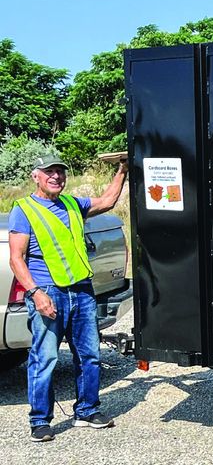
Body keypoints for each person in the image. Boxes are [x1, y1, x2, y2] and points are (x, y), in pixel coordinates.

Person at [9, 152, 129, 442]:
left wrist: (123, 169)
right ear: (35, 176)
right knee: (45, 357)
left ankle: (87, 410)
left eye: (60, 172)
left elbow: (107, 201)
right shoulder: (24, 210)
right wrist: (36, 293)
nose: (56, 177)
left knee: (89, 354)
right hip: (48, 292)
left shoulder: (73, 204)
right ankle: (40, 421)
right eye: (49, 172)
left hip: (81, 290)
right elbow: (16, 259)